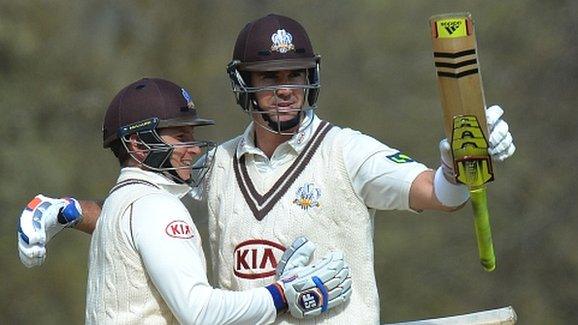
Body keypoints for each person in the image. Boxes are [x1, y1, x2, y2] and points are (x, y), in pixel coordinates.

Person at [18, 14, 515, 324]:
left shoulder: (346, 151)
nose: (284, 89)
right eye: (269, 77)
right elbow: (144, 230)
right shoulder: (216, 163)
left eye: (295, 76)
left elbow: (441, 194)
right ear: (244, 85)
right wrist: (68, 211)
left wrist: (462, 164)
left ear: (310, 80)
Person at [19, 77, 352, 324]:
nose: (193, 149)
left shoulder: (122, 204)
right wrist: (282, 295)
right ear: (138, 145)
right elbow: (200, 312)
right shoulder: (156, 205)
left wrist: (68, 209)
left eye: (192, 136)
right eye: (180, 137)